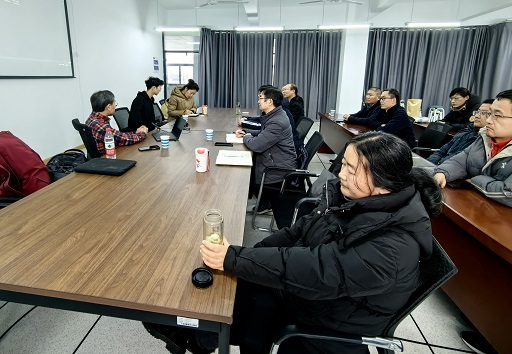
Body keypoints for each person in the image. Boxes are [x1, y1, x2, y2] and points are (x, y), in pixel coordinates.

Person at [145, 132, 442, 354]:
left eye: (351, 170)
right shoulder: (358, 200)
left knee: (245, 292)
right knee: (236, 280)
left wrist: (234, 258)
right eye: (343, 164)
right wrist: (245, 255)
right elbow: (298, 231)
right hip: (322, 295)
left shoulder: (392, 248)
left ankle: (197, 337)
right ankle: (196, 335)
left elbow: (316, 270)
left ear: (383, 181)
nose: (340, 174)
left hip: (330, 317)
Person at [433, 89, 512, 207]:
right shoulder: (484, 138)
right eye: (490, 114)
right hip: (475, 205)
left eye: (497, 115)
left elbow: (508, 193)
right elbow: (460, 161)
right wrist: (442, 173)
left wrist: (474, 180)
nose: (488, 120)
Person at [236, 87, 297, 214]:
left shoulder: (277, 121)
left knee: (247, 173)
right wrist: (247, 132)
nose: (258, 101)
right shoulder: (275, 114)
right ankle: (263, 200)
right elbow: (264, 132)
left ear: (270, 101)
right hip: (276, 158)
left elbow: (256, 145)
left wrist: (246, 137)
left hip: (278, 167)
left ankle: (265, 203)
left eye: (260, 98)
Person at [427, 99, 493, 165]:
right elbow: (441, 151)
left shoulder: (483, 141)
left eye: (483, 113)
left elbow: (458, 162)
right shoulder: (466, 130)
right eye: (478, 112)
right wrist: (429, 164)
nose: (476, 116)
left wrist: (437, 167)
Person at [85, 90, 148, 156]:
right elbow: (123, 139)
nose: (115, 106)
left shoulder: (91, 118)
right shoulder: (100, 125)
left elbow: (118, 135)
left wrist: (136, 132)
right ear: (108, 107)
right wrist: (142, 133)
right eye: (115, 104)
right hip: (108, 158)